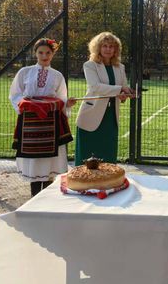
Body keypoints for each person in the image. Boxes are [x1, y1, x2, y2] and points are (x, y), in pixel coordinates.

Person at [9, 38, 75, 196]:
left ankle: (45, 197)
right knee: (34, 159)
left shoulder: (57, 76)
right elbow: (15, 94)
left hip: (51, 124)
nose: (44, 56)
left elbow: (62, 98)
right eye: (41, 52)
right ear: (35, 53)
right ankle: (34, 196)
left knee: (49, 160)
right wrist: (26, 106)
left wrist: (68, 104)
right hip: (30, 123)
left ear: (53, 54)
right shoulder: (24, 72)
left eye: (48, 53)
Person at [74, 32, 133, 165]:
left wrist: (126, 94)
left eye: (111, 46)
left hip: (111, 117)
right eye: (104, 46)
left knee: (108, 153)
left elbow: (123, 87)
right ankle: (85, 183)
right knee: (87, 155)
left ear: (116, 49)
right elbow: (95, 87)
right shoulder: (90, 65)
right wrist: (120, 90)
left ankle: (107, 183)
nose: (108, 49)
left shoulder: (120, 67)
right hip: (91, 115)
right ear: (98, 48)